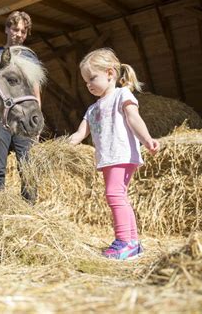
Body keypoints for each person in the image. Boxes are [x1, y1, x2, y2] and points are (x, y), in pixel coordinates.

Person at [69, 48, 160, 260]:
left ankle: (124, 241)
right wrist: (64, 145)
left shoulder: (122, 95)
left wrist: (147, 140)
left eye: (92, 78)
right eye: (85, 82)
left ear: (110, 73)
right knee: (118, 195)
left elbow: (133, 119)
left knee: (114, 195)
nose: (89, 84)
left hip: (122, 154)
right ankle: (133, 242)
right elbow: (80, 133)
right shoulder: (92, 109)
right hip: (107, 158)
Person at [0, 11, 41, 202]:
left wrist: (36, 120)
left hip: (23, 117)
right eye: (15, 29)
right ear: (6, 29)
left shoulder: (30, 58)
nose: (18, 34)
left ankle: (29, 210)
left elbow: (35, 90)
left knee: (28, 164)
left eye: (23, 31)